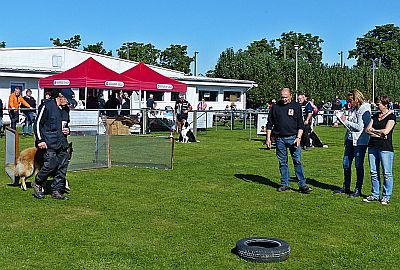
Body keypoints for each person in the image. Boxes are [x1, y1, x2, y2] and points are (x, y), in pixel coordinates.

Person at [266, 87, 312, 193]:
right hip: (279, 139)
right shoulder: (275, 107)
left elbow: (300, 124)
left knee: (297, 161)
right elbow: (269, 123)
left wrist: (298, 137)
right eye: (282, 97)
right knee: (283, 162)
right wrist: (268, 138)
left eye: (286, 97)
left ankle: (302, 185)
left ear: (290, 95)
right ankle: (284, 184)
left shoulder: (296, 106)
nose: (284, 99)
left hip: (293, 138)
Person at [32, 89, 74, 200]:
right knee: (51, 164)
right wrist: (40, 140)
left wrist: (68, 130)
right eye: (67, 100)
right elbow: (37, 124)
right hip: (48, 142)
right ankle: (37, 182)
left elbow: (65, 125)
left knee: (62, 167)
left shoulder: (65, 110)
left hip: (62, 143)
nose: (68, 103)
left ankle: (57, 191)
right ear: (61, 96)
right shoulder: (47, 106)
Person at [335, 89, 371, 197]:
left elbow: (359, 127)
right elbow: (349, 125)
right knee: (346, 163)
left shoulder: (364, 109)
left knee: (358, 165)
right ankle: (346, 187)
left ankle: (358, 189)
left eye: (351, 100)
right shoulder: (353, 108)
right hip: (350, 139)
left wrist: (344, 120)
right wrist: (343, 120)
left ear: (357, 98)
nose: (349, 102)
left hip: (360, 140)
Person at [363, 96, 396, 205]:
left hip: (385, 148)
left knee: (386, 173)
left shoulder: (391, 117)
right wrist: (378, 133)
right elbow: (367, 130)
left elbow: (386, 132)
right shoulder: (375, 116)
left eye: (378, 104)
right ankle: (375, 194)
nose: (376, 106)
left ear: (385, 104)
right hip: (372, 146)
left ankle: (386, 196)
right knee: (373, 172)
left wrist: (375, 131)